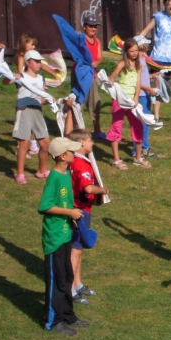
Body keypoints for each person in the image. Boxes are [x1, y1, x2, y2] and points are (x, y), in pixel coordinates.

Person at [39, 137, 90, 336]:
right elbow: (45, 206)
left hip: (66, 233)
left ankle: (68, 314)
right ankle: (53, 321)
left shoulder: (66, 174)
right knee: (57, 280)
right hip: (54, 238)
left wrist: (73, 215)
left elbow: (65, 202)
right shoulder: (54, 177)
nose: (74, 154)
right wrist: (70, 213)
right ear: (62, 156)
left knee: (67, 277)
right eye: (71, 151)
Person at [68, 129, 109, 305]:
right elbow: (87, 188)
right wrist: (103, 190)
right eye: (90, 140)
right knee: (75, 250)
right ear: (81, 142)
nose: (92, 143)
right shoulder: (81, 164)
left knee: (79, 248)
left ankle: (78, 284)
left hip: (81, 209)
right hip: (80, 211)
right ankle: (70, 289)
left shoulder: (75, 160)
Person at [3, 50, 53, 184]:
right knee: (24, 143)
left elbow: (42, 99)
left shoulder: (41, 78)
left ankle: (42, 170)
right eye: (36, 61)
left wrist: (49, 100)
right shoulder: (21, 76)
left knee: (45, 142)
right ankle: (20, 174)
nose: (39, 64)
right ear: (28, 62)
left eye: (40, 61)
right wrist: (12, 76)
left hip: (37, 111)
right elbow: (5, 82)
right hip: (23, 109)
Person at [106, 39, 150, 169]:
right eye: (131, 51)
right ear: (126, 52)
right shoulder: (122, 63)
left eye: (136, 50)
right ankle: (116, 159)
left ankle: (138, 157)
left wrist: (136, 98)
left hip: (132, 100)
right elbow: (114, 74)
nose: (134, 53)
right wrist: (111, 81)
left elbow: (138, 83)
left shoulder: (139, 65)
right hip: (120, 99)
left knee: (137, 126)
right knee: (116, 126)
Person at [14, 33, 60, 156]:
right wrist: (22, 81)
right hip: (24, 91)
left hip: (34, 89)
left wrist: (55, 75)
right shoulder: (21, 57)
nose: (34, 47)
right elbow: (20, 73)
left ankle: (33, 145)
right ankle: (20, 147)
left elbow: (43, 66)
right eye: (32, 44)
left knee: (34, 117)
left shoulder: (35, 58)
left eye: (34, 45)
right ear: (24, 44)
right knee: (24, 122)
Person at [68, 15, 104, 138]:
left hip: (91, 75)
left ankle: (97, 131)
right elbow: (73, 48)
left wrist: (97, 62)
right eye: (90, 26)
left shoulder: (97, 41)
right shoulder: (81, 38)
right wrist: (77, 38)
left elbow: (100, 57)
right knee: (78, 102)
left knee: (95, 102)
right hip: (79, 75)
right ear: (84, 27)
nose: (93, 29)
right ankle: (76, 131)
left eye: (95, 26)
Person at [132, 35, 157, 158]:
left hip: (145, 94)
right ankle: (139, 149)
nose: (147, 46)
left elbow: (143, 77)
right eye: (145, 44)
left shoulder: (143, 59)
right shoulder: (138, 61)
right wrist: (149, 89)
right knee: (141, 123)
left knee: (146, 122)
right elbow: (136, 82)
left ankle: (144, 146)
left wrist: (152, 76)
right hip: (141, 95)